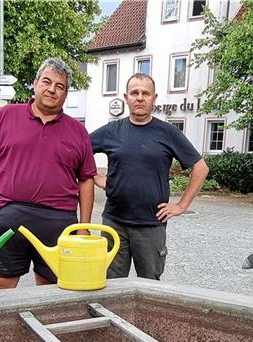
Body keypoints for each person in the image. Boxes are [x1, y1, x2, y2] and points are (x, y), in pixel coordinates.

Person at [0, 57, 96, 290]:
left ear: (66, 94)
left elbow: (86, 179)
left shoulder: (78, 131)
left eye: (60, 86)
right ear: (35, 83)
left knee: (53, 292)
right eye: (46, 81)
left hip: (58, 222)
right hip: (7, 218)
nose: (52, 89)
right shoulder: (4, 116)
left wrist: (84, 226)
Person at [90, 73, 209, 280]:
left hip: (151, 225)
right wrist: (95, 176)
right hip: (114, 222)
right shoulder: (111, 131)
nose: (140, 97)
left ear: (154, 98)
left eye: (145, 93)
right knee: (111, 285)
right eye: (134, 93)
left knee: (150, 285)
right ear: (126, 98)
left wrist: (181, 206)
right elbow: (80, 150)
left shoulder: (168, 133)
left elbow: (200, 168)